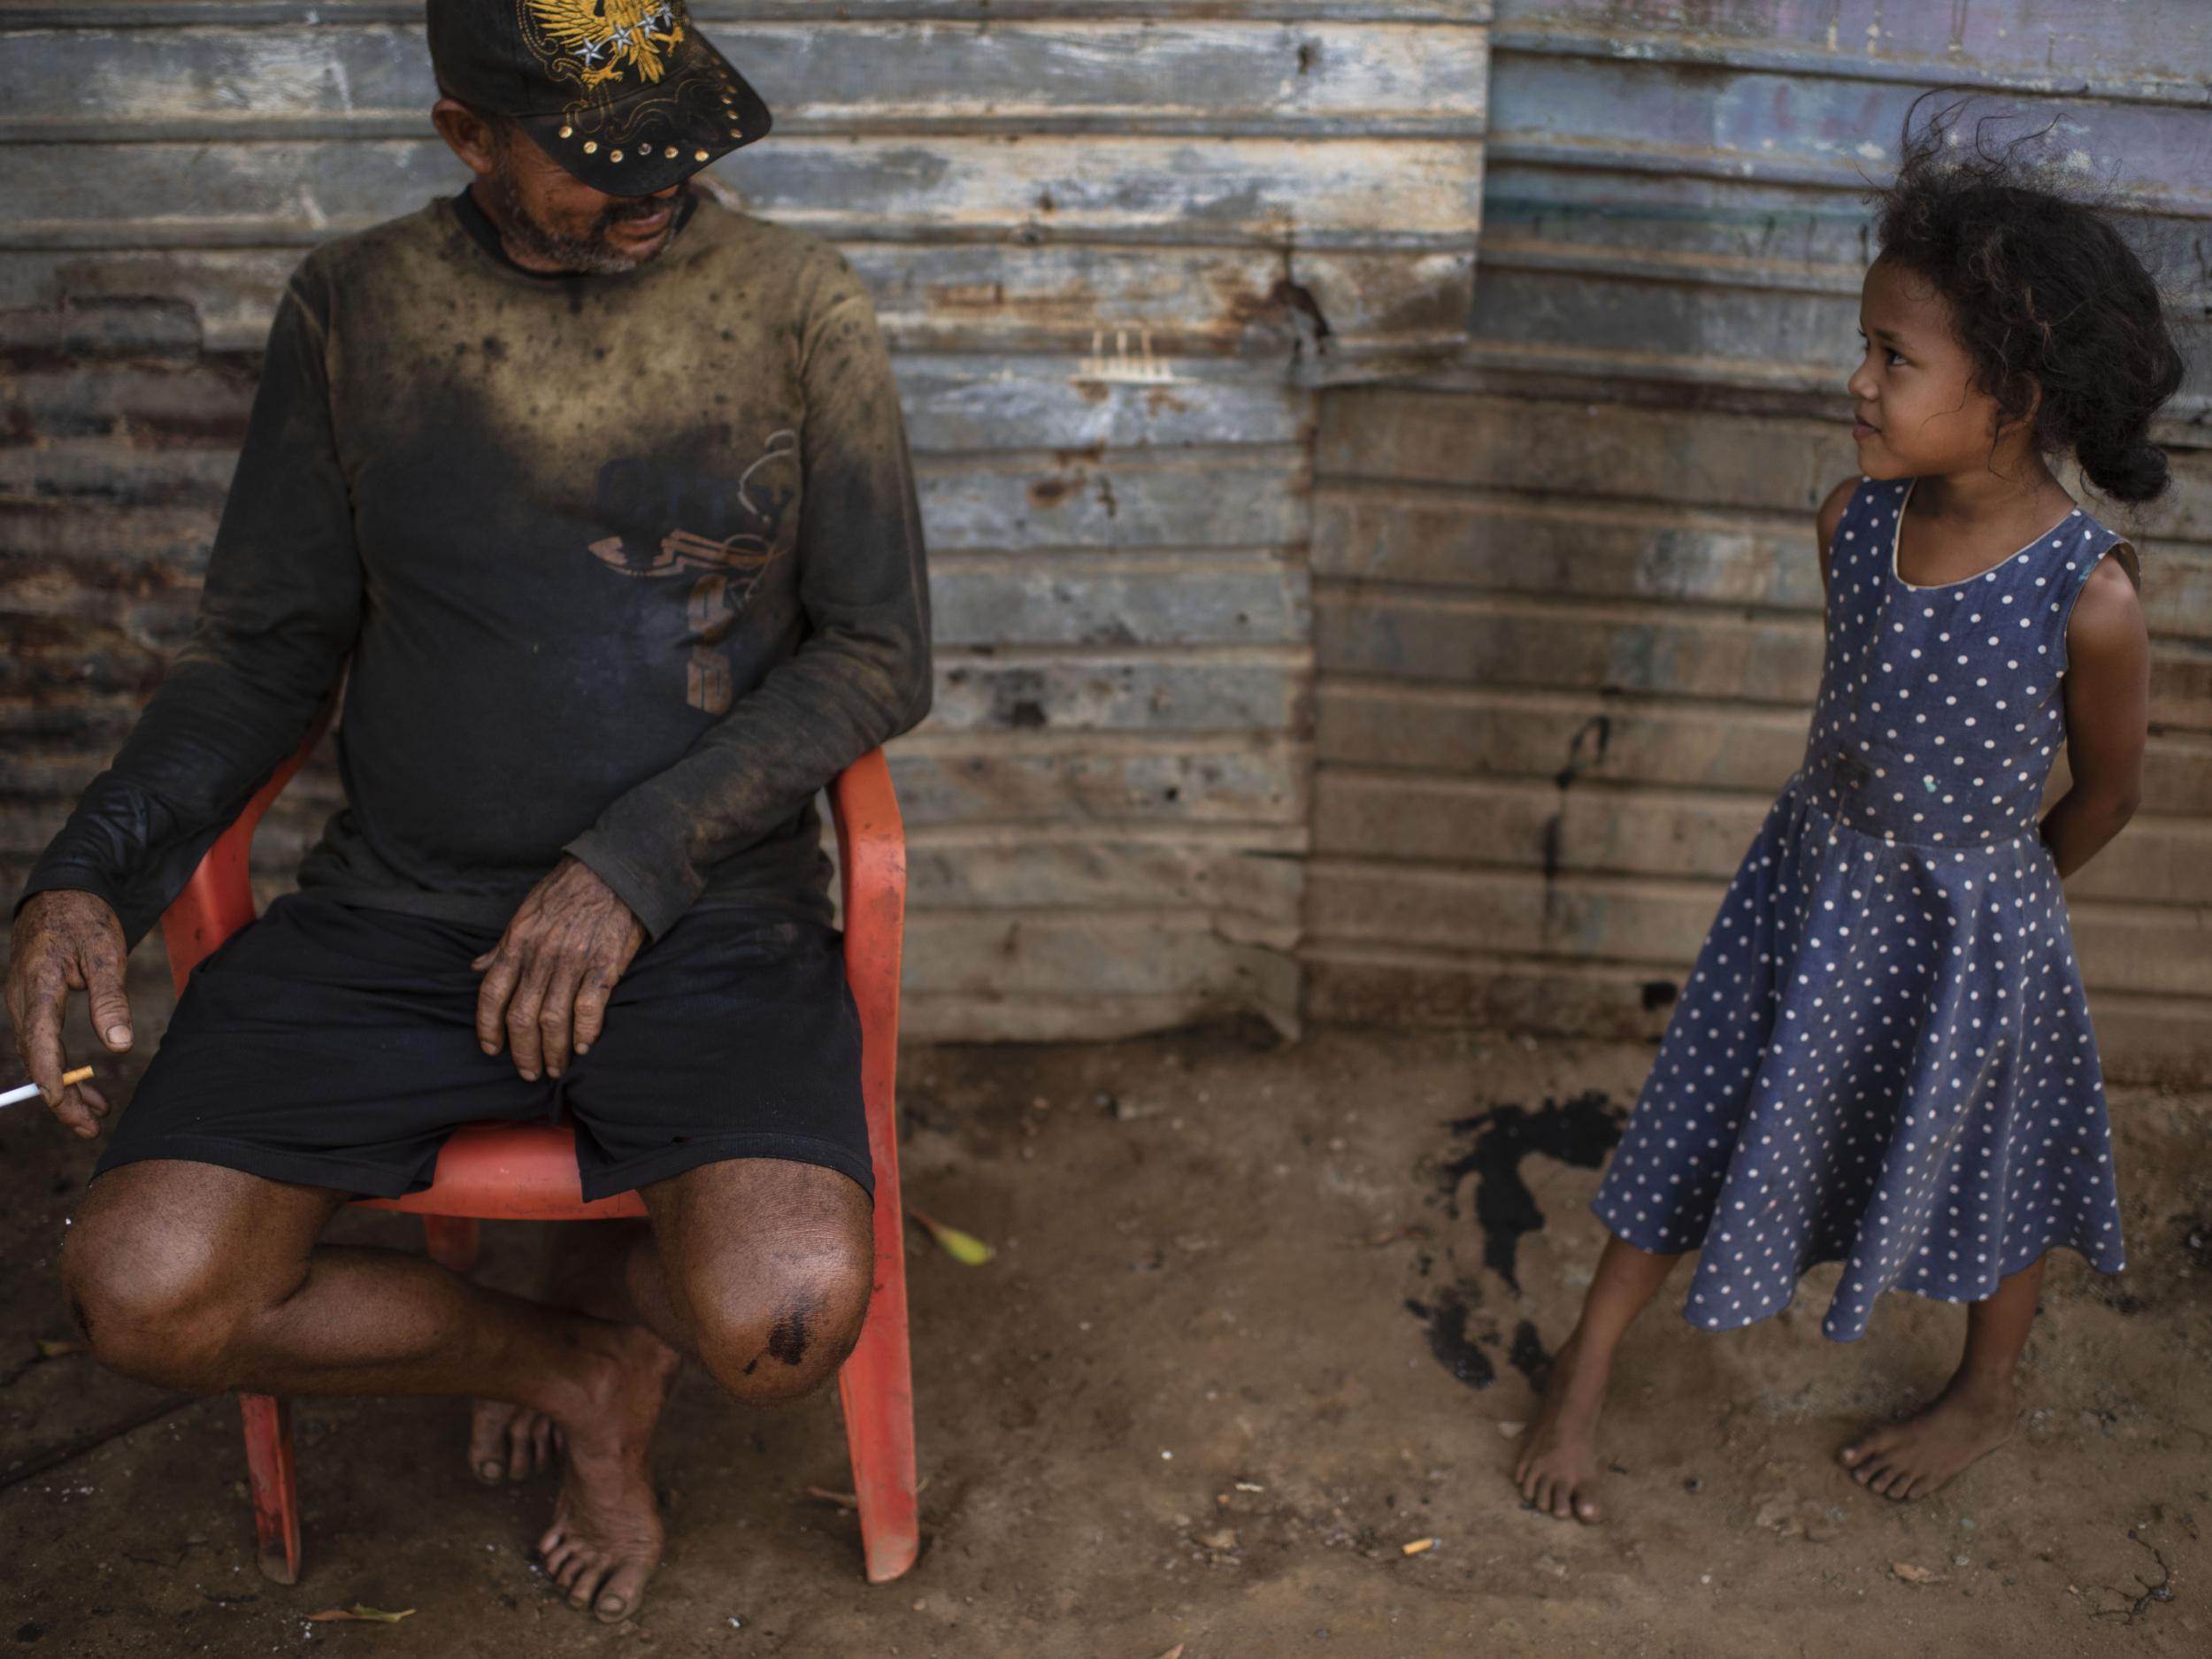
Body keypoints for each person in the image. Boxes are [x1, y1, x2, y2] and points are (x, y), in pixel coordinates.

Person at [4, 0, 929, 1622]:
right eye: (601, 161)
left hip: (706, 913)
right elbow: (263, 654)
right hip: (399, 915)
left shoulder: (798, 306)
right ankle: (569, 1367)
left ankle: (610, 1294)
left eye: (683, 146)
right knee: (142, 1295)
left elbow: (876, 654)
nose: (659, 189)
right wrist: (89, 872)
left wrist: (632, 863)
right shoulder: (354, 306)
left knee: (781, 1321)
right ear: (465, 134)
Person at [1512, 104, 2182, 1524]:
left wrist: (1998, 904)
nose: (1858, 384)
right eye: (1863, 347)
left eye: (1894, 359)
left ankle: (1980, 1393)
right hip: (1810, 898)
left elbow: (2113, 791)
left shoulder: (2090, 594)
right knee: (1703, 1109)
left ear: (2017, 393)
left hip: (1975, 927)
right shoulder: (1852, 525)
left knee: (1995, 1157)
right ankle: (1585, 1360)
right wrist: (1874, 879)